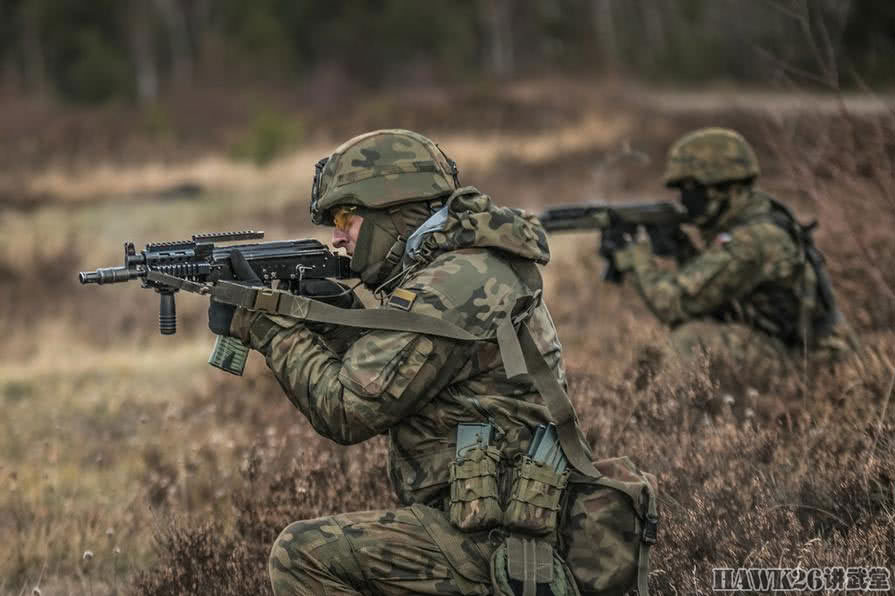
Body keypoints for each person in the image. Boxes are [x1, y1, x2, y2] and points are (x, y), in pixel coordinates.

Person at [207, 129, 656, 596]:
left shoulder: (452, 284)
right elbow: (405, 368)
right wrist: (329, 316)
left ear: (394, 210)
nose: (338, 239)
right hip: (494, 520)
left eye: (345, 218)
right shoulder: (467, 264)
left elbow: (346, 408)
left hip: (506, 545)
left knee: (301, 555)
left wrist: (268, 327)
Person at [610, 127, 854, 381]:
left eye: (690, 187)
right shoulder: (753, 220)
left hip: (812, 363)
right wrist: (680, 246)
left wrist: (634, 256)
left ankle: (671, 417)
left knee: (689, 340)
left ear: (722, 187)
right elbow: (714, 292)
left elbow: (672, 305)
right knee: (656, 354)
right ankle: (631, 409)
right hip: (790, 346)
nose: (683, 198)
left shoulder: (752, 239)